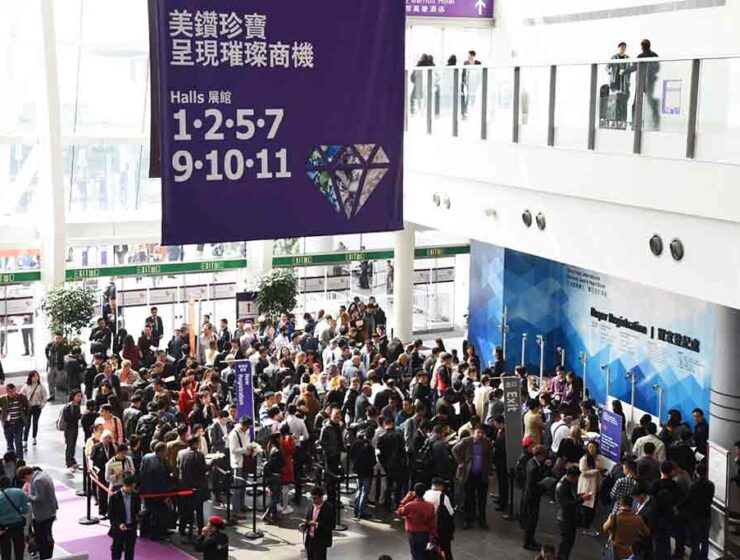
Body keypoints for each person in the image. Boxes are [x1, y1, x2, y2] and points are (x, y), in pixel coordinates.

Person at [452, 425, 492, 529]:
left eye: (482, 433)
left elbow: (489, 458)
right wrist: (460, 462)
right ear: (474, 432)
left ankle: (482, 519)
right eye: (478, 433)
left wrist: (490, 471)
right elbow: (454, 449)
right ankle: (468, 519)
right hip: (469, 474)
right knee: (468, 497)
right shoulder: (466, 441)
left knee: (482, 498)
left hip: (482, 474)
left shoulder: (487, 443)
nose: (480, 435)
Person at [18, 466, 58, 560]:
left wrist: (27, 496)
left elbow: (39, 497)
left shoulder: (37, 481)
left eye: (25, 479)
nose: (27, 482)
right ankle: (46, 554)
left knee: (43, 537)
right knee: (46, 535)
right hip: (49, 511)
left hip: (43, 513)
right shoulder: (43, 475)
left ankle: (45, 556)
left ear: (26, 475)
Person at [555, 466, 591, 560]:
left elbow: (571, 498)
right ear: (572, 476)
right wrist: (582, 499)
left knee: (568, 542)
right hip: (565, 518)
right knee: (566, 543)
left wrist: (580, 497)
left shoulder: (567, 483)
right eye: (576, 478)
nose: (577, 480)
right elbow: (568, 504)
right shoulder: (562, 486)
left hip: (569, 517)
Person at [178, 435, 208, 538]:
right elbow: (203, 469)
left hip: (184, 486)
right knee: (199, 510)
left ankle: (182, 528)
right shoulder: (198, 455)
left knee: (185, 509)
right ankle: (200, 529)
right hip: (197, 487)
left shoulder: (181, 453)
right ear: (195, 443)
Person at [396, 483, 436, 560]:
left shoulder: (409, 505)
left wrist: (405, 499)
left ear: (415, 492)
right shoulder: (430, 506)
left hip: (413, 534)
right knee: (423, 553)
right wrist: (433, 535)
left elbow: (399, 512)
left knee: (415, 554)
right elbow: (432, 521)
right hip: (425, 534)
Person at [603, 496, 650, 560]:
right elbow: (647, 533)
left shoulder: (614, 517)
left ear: (621, 504)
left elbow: (605, 528)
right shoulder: (639, 519)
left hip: (615, 549)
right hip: (629, 550)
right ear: (631, 505)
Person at [522, 445, 550, 551]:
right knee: (531, 521)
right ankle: (528, 542)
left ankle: (530, 540)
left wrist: (544, 467)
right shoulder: (534, 468)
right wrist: (544, 487)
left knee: (531, 520)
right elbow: (533, 486)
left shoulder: (531, 462)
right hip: (532, 498)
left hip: (529, 496)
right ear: (540, 455)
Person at [684, 463, 714, 560]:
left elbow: (687, 500)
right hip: (706, 514)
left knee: (695, 539)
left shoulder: (693, 486)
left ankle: (695, 557)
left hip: (695, 515)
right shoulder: (711, 485)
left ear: (696, 472)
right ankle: (704, 556)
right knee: (705, 538)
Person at [108, 475, 141, 560]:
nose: (133, 489)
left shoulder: (135, 496)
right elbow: (111, 515)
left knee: (130, 551)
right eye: (131, 487)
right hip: (119, 528)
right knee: (117, 551)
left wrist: (138, 516)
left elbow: (137, 510)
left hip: (131, 527)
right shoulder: (114, 497)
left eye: (134, 487)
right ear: (125, 485)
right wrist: (119, 524)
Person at [228, 416, 254, 519]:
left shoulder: (246, 432)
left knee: (243, 486)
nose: (248, 429)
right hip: (237, 463)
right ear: (242, 425)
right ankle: (236, 510)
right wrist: (245, 449)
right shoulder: (234, 434)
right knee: (237, 488)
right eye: (247, 427)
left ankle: (242, 505)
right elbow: (233, 450)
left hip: (245, 462)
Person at [423, 477, 455, 560]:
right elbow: (451, 513)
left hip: (426, 528)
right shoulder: (443, 496)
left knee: (429, 549)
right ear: (440, 486)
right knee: (446, 550)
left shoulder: (425, 494)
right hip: (439, 528)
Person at [577, 440, 603, 536]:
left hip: (595, 485)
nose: (591, 449)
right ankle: (586, 527)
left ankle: (588, 525)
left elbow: (601, 468)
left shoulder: (598, 459)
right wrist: (596, 471)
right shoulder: (584, 459)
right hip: (586, 486)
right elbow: (584, 472)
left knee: (592, 507)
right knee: (586, 507)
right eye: (589, 447)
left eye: (593, 447)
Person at [0, 475, 29, 560]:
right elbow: (25, 510)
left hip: (3, 527)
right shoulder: (20, 492)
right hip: (18, 525)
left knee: (5, 550)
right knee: (19, 548)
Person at [302, 486, 334, 560]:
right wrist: (306, 525)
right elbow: (308, 519)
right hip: (310, 539)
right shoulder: (311, 506)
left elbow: (331, 525)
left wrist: (317, 524)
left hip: (320, 541)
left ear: (321, 497)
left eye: (316, 498)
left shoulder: (328, 508)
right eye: (312, 498)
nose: (314, 501)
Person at [636, 39, 660, 129]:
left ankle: (636, 123)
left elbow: (635, 67)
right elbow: (657, 68)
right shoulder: (655, 55)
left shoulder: (640, 56)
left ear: (642, 47)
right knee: (650, 100)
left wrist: (624, 72)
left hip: (642, 81)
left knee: (638, 102)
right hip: (650, 81)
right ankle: (655, 119)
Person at [19, 370, 47, 449]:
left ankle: (34, 437)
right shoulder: (26, 386)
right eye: (34, 376)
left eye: (37, 376)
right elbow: (21, 395)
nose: (35, 378)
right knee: (27, 424)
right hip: (28, 407)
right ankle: (25, 440)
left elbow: (45, 397)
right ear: (30, 377)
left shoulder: (41, 386)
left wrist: (42, 405)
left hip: (37, 407)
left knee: (35, 423)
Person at [0, 385, 28, 461]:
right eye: (10, 392)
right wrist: (1, 416)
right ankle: (12, 461)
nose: (12, 393)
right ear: (7, 391)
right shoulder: (3, 399)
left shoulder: (21, 397)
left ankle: (20, 461)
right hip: (8, 425)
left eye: (14, 391)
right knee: (10, 444)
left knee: (18, 442)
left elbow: (27, 407)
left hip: (18, 423)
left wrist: (25, 418)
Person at [608, 41, 631, 124]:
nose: (623, 49)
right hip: (615, 82)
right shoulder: (614, 57)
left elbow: (629, 70)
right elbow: (607, 67)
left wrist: (628, 81)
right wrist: (610, 72)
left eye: (624, 47)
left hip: (624, 82)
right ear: (619, 48)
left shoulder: (627, 58)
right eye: (621, 47)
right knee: (615, 101)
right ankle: (614, 120)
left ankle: (622, 120)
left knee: (623, 102)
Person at [61, 391, 83, 472]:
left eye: (80, 396)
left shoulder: (77, 406)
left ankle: (72, 461)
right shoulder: (69, 406)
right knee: (69, 445)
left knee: (73, 445)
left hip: (75, 428)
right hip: (69, 429)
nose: (79, 398)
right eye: (78, 396)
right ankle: (69, 463)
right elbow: (68, 418)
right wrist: (80, 416)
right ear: (73, 396)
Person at [44, 332, 68, 402]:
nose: (58, 340)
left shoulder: (64, 347)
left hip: (60, 366)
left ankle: (65, 394)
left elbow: (67, 356)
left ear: (62, 339)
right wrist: (48, 358)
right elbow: (46, 351)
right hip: (51, 365)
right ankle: (52, 395)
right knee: (50, 380)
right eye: (56, 338)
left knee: (62, 380)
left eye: (59, 338)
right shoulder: (50, 345)